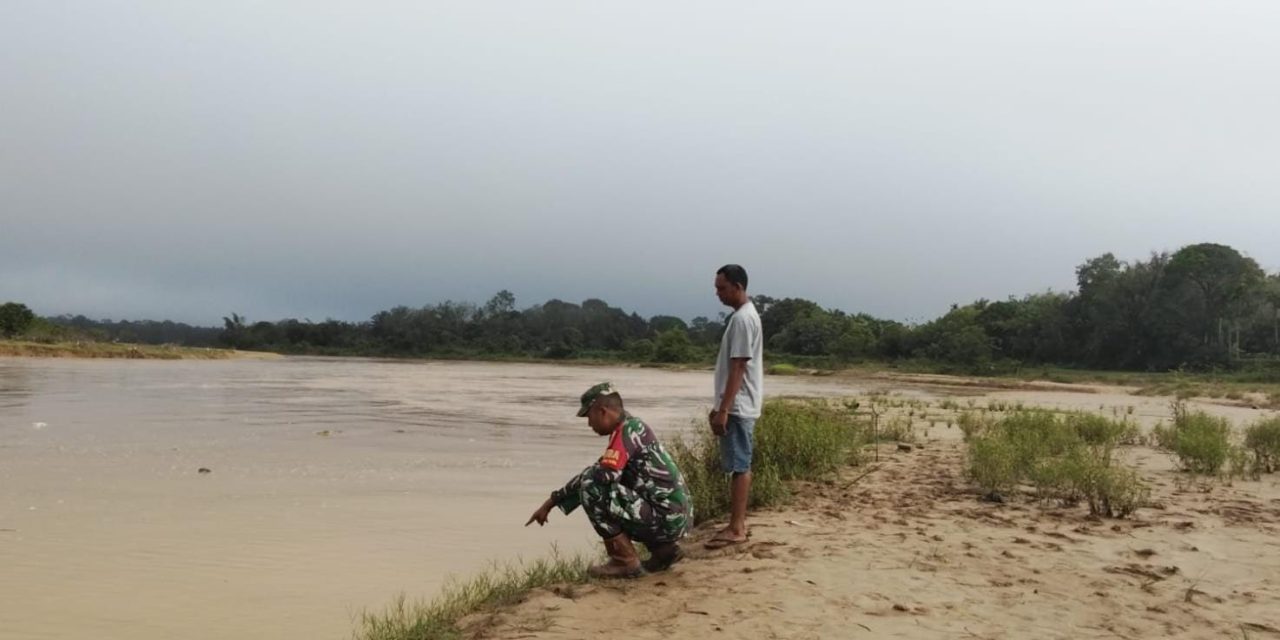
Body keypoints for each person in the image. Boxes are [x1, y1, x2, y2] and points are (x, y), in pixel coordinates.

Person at [525, 382, 691, 577]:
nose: (589, 424)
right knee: (600, 480)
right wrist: (551, 503)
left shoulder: (627, 431)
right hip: (673, 518)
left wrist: (570, 494)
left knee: (592, 487)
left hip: (667, 519)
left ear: (601, 411)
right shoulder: (632, 429)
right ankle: (664, 553)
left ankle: (624, 561)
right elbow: (600, 469)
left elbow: (602, 477)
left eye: (589, 417)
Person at [705, 264, 763, 549]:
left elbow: (739, 366)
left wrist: (724, 409)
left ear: (738, 287)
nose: (718, 293)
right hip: (737, 404)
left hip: (738, 406)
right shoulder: (745, 317)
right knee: (739, 464)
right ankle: (736, 523)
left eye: (722, 288)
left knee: (740, 466)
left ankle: (737, 528)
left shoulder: (742, 320)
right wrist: (719, 406)